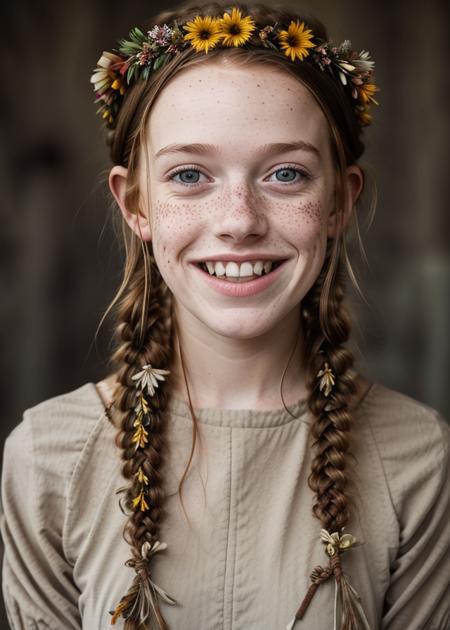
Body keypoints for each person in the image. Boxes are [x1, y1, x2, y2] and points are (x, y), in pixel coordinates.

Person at [1, 1, 449, 629]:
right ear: (136, 204)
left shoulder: (417, 459)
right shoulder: (48, 459)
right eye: (189, 175)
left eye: (286, 173)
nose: (240, 220)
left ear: (338, 203)